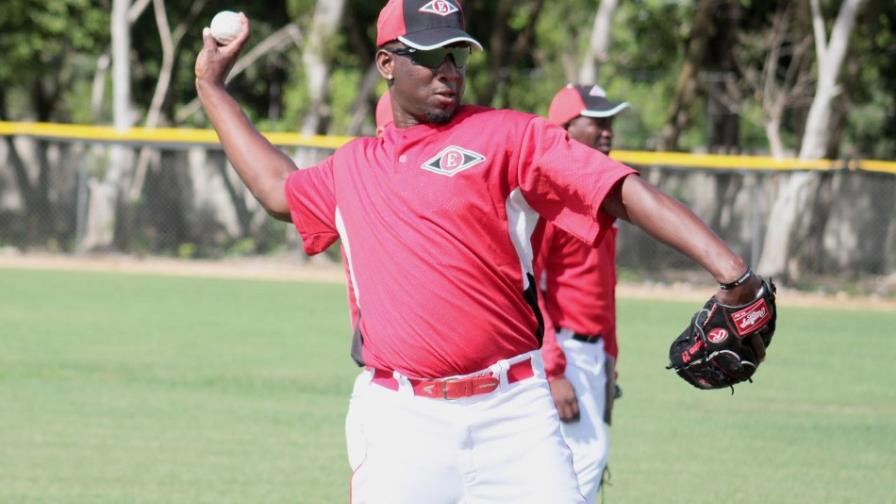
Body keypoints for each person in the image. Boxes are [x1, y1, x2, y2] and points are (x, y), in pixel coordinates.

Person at [193, 1, 768, 502]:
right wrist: (212, 89)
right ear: (386, 63)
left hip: (514, 412)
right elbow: (276, 189)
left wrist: (733, 274)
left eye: (457, 55)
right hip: (400, 419)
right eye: (429, 54)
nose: (448, 69)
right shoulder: (352, 169)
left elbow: (618, 189)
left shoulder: (510, 136)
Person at [537, 83, 629, 502]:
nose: (607, 131)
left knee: (582, 460)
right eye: (597, 121)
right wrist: (553, 369)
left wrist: (610, 357)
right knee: (586, 456)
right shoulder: (550, 198)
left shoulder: (599, 195)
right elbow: (527, 288)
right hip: (563, 349)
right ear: (566, 130)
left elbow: (604, 289)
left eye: (611, 121)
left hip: (592, 354)